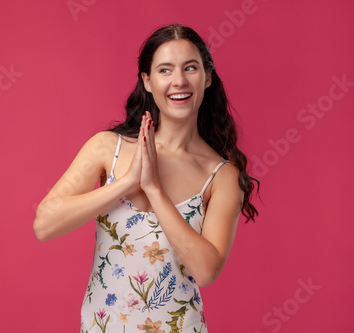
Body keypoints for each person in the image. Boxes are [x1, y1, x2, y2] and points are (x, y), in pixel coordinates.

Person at [33, 24, 259, 333]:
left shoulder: (221, 176)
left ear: (207, 77)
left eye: (190, 68)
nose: (179, 80)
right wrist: (127, 182)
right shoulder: (106, 147)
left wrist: (154, 189)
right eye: (165, 70)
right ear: (148, 81)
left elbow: (206, 271)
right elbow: (44, 225)